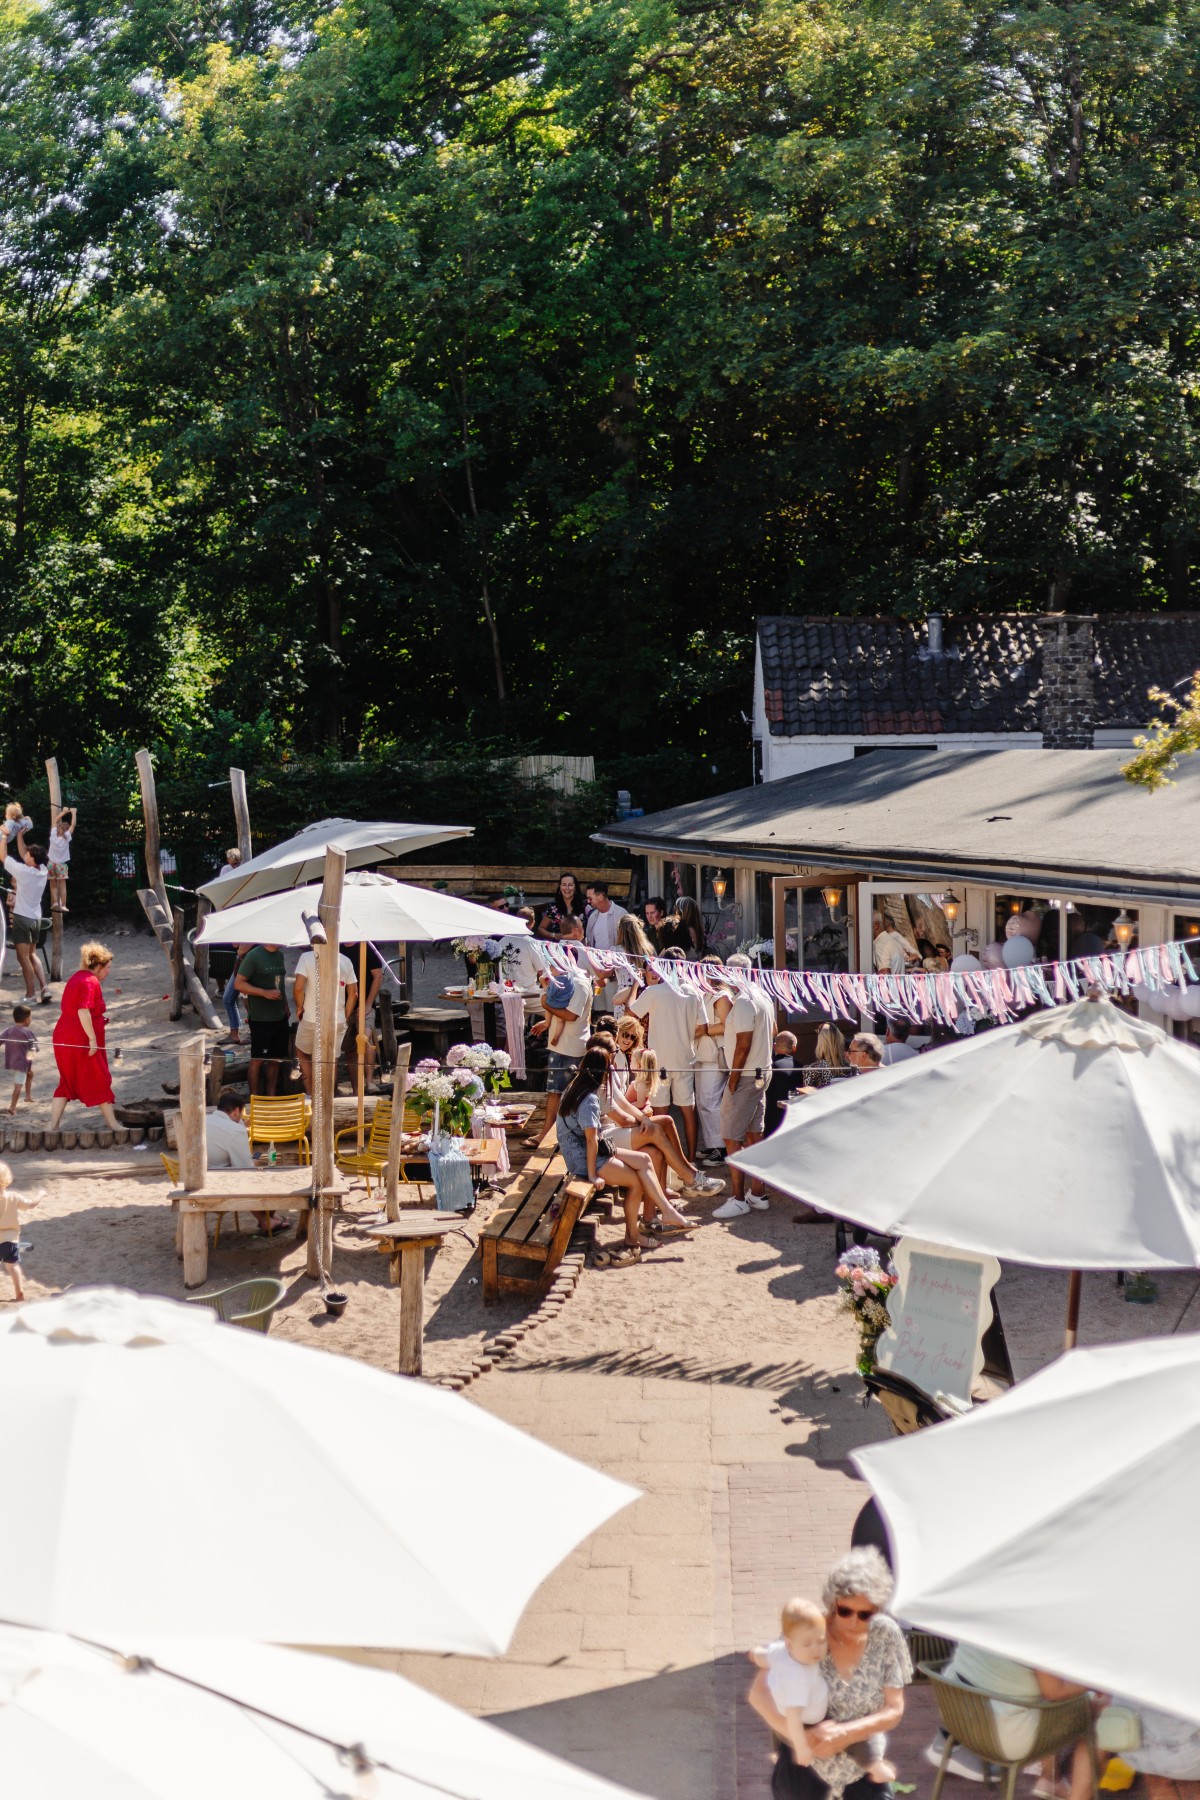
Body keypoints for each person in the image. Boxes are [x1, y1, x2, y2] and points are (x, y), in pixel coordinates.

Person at [749, 1547, 910, 1800]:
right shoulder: (807, 1633)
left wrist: (846, 1733)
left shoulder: (887, 1635)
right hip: (803, 1762)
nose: (854, 1621)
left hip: (860, 1763)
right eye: (846, 1611)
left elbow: (894, 1709)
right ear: (833, 1603)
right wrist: (801, 1737)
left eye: (865, 1614)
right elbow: (759, 1694)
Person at [555, 1050, 693, 1266]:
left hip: (593, 1149)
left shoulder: (574, 1087)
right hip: (584, 1158)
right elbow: (591, 1141)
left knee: (645, 1160)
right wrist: (592, 1175)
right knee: (636, 1182)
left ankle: (666, 1212)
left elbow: (593, 1140)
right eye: (608, 1068)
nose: (611, 1072)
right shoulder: (589, 1099)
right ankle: (633, 1235)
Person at [750, 1598, 896, 1786]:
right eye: (808, 1644)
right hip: (810, 1718)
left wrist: (755, 1655)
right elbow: (793, 1718)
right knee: (856, 1737)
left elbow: (763, 1657)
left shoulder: (780, 1652)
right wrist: (802, 1746)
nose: (816, 1650)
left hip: (790, 1709)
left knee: (779, 1721)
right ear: (789, 1643)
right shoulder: (797, 1679)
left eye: (821, 1641)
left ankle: (778, 1752)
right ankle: (874, 1765)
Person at [925, 1644, 1094, 1799]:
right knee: (1093, 1706)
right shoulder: (1038, 1635)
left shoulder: (979, 1614)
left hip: (958, 1719)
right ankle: (1066, 1788)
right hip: (1005, 1738)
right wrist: (1094, 1684)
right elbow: (1055, 1692)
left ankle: (1050, 1779)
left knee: (1038, 1691)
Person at [712, 958, 775, 1217]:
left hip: (747, 1075)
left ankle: (738, 1198)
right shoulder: (762, 995)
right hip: (760, 1072)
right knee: (753, 1134)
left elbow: (743, 1044)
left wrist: (733, 1079)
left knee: (731, 1135)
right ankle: (757, 1193)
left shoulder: (745, 1000)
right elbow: (772, 1031)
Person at [631, 949, 700, 1160]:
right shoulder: (693, 991)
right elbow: (703, 1027)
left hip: (658, 1060)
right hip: (684, 1058)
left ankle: (667, 1160)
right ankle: (690, 1158)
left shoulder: (654, 991)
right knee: (688, 1110)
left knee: (662, 1114)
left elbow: (631, 1015)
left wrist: (636, 984)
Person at [49, 941, 118, 1131]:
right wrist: (92, 1039)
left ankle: (52, 1126)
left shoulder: (77, 977)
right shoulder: (90, 981)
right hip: (78, 1037)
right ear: (98, 966)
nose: (108, 971)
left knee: (67, 1080)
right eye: (107, 968)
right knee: (98, 1076)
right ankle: (113, 1124)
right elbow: (83, 1011)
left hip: (64, 1034)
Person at [206, 1090, 288, 1235]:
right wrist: (255, 1162)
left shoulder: (206, 1120)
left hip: (205, 1178)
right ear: (237, 1111)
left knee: (248, 1175)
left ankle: (269, 1219)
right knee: (264, 1179)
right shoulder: (235, 1129)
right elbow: (244, 1169)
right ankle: (266, 1221)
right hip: (219, 1185)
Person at [531, 951, 593, 1130]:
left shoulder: (579, 984)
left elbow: (571, 1015)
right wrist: (547, 1022)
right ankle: (555, 1135)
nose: (549, 967)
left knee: (556, 1093)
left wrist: (546, 1005)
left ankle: (547, 1135)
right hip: (564, 1046)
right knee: (558, 1093)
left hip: (568, 1048)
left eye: (553, 963)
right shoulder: (568, 981)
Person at [292, 945, 358, 1096]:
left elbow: (298, 988)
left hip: (311, 1017)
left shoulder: (306, 957)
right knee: (331, 1058)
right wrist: (346, 1015)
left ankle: (310, 1093)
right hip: (337, 1019)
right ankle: (327, 1095)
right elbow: (353, 993)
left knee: (303, 1052)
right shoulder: (345, 960)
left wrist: (299, 1007)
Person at [236, 943, 290, 1096]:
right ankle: (254, 1097)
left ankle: (271, 1096)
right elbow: (238, 983)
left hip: (279, 1016)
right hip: (260, 1018)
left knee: (276, 1059)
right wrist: (263, 992)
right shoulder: (254, 956)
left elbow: (280, 984)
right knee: (258, 1059)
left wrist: (285, 1005)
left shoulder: (280, 955)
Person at [4, 824, 49, 1004]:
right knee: (32, 954)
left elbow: (2, 856)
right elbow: (24, 854)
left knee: (23, 958)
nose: (25, 856)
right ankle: (44, 988)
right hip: (36, 918)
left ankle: (30, 995)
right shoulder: (42, 870)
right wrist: (20, 835)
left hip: (22, 918)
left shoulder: (23, 873)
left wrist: (3, 836)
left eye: (28, 855)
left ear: (31, 859)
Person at [692, 955, 728, 1165]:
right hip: (702, 1054)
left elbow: (727, 1024)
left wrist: (703, 1031)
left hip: (714, 1056)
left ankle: (720, 1148)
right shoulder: (704, 994)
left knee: (710, 1102)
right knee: (704, 1102)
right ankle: (712, 1144)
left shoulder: (721, 996)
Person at [340, 942, 384, 1094]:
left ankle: (370, 1082)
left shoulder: (367, 946)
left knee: (365, 1038)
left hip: (364, 1004)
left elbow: (378, 975)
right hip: (343, 1006)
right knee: (350, 1050)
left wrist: (368, 1003)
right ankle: (356, 1089)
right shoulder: (336, 946)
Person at [0, 1160, 40, 1300]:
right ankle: (19, 1292)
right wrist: (40, 1194)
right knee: (13, 1266)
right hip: (10, 1241)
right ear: (7, 1180)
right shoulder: (14, 1197)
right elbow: (31, 1205)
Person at [0, 1005, 37, 1113]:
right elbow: (32, 1050)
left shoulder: (9, 1030)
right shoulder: (28, 1033)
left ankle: (28, 1096)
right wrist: (28, 1064)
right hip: (22, 1064)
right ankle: (12, 1107)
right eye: (30, 1017)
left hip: (12, 1061)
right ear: (27, 1020)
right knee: (18, 1084)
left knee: (30, 1074)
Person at [766, 1030, 799, 1135]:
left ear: (774, 1046)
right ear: (794, 1048)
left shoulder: (767, 1067)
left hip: (768, 1122)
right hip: (792, 1122)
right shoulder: (799, 1068)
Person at [536, 872, 586, 940]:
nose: (567, 888)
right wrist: (553, 935)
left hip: (581, 946)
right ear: (560, 887)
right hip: (559, 947)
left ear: (575, 887)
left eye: (570, 885)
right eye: (564, 885)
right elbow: (540, 929)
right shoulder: (553, 907)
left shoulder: (585, 906)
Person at [48, 806, 76, 914]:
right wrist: (73, 812)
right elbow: (73, 825)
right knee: (62, 885)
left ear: (59, 830)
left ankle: (55, 903)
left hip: (51, 864)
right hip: (61, 865)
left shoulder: (53, 837)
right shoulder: (67, 838)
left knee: (53, 885)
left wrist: (63, 812)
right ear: (66, 830)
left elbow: (55, 821)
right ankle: (63, 905)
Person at [584, 881, 628, 950]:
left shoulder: (621, 914)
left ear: (600, 897)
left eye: (590, 898)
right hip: (595, 959)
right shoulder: (592, 917)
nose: (588, 901)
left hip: (616, 959)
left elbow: (628, 944)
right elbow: (589, 942)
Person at [222, 943, 250, 1045]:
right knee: (228, 998)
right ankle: (234, 1034)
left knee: (249, 1001)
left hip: (252, 962)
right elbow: (236, 945)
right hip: (241, 961)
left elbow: (242, 948)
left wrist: (240, 950)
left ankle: (253, 1034)